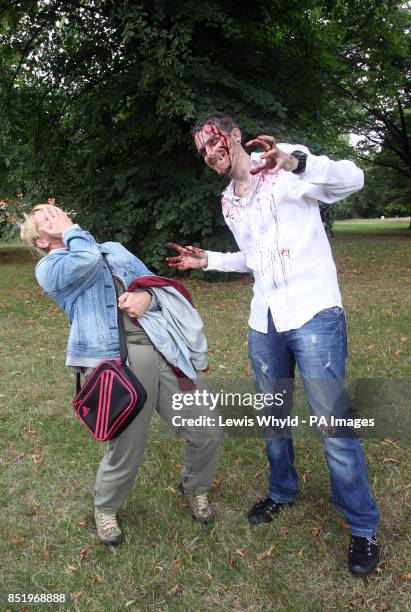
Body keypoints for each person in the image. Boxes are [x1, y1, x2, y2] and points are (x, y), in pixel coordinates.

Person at [167, 113, 380, 576]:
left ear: (236, 135)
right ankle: (282, 490)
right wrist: (210, 260)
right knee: (272, 413)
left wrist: (295, 162)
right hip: (264, 319)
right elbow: (254, 256)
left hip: (313, 312)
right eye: (203, 151)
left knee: (332, 422)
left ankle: (363, 525)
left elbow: (353, 179)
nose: (210, 152)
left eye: (214, 141)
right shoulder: (229, 201)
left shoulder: (284, 168)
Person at [20, 205, 221, 546]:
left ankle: (196, 487)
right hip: (114, 362)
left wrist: (147, 297)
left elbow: (158, 287)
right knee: (127, 445)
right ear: (41, 240)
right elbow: (85, 261)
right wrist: (71, 230)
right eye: (47, 218)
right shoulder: (51, 267)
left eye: (57, 211)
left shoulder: (114, 249)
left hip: (162, 347)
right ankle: (106, 507)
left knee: (207, 428)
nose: (57, 215)